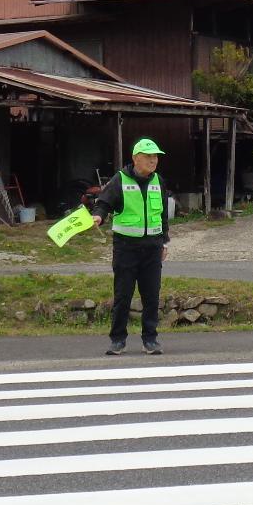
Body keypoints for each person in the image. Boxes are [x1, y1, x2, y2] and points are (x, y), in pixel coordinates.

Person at [88, 136, 170, 355]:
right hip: (126, 247)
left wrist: (165, 242)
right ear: (136, 158)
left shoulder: (158, 181)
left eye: (156, 157)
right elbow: (103, 203)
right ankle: (118, 340)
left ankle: (150, 339)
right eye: (148, 156)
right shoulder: (120, 180)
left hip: (152, 247)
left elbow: (162, 216)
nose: (153, 161)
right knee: (123, 295)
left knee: (151, 295)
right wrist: (98, 217)